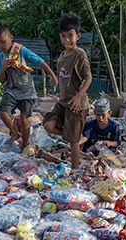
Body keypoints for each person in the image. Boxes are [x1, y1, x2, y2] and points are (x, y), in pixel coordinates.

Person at [0, 21, 58, 150]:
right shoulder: (0, 58)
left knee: (24, 119)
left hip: (26, 91)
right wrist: (3, 70)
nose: (0, 45)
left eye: (3, 41)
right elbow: (1, 80)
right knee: (2, 112)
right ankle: (15, 133)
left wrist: (52, 74)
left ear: (11, 38)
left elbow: (39, 61)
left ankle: (24, 145)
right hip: (10, 90)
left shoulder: (21, 51)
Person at [43, 12, 92, 169]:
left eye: (70, 35)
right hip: (63, 102)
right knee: (48, 125)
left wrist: (78, 96)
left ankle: (75, 170)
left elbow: (88, 78)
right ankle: (73, 135)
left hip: (76, 105)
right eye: (63, 36)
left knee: (73, 142)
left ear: (77, 35)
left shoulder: (80, 55)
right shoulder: (62, 56)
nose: (67, 40)